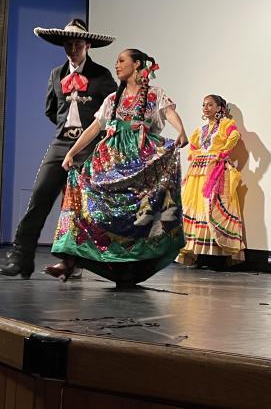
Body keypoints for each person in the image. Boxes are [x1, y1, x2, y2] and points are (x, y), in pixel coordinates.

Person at [46, 49, 188, 287]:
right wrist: (71, 152)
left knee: (134, 217)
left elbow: (169, 112)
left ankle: (131, 268)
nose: (117, 64)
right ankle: (69, 259)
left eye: (122, 60)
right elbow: (94, 128)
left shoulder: (154, 95)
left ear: (137, 65)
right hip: (110, 163)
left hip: (141, 164)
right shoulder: (113, 99)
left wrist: (181, 130)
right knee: (87, 198)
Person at [0, 19, 116, 279]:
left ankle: (72, 261)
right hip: (62, 142)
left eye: (77, 44)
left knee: (78, 205)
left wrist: (89, 140)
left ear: (87, 45)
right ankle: (21, 256)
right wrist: (68, 131)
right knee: (40, 196)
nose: (73, 49)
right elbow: (51, 110)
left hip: (89, 146)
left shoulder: (102, 76)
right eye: (68, 44)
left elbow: (112, 113)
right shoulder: (56, 74)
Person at [176, 95, 245, 269]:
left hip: (215, 170)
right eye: (204, 105)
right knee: (195, 206)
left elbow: (235, 135)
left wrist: (222, 153)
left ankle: (217, 255)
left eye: (210, 105)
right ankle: (197, 253)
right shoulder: (201, 129)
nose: (206, 108)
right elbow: (192, 145)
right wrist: (196, 154)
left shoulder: (225, 125)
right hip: (198, 171)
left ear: (219, 107)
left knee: (212, 207)